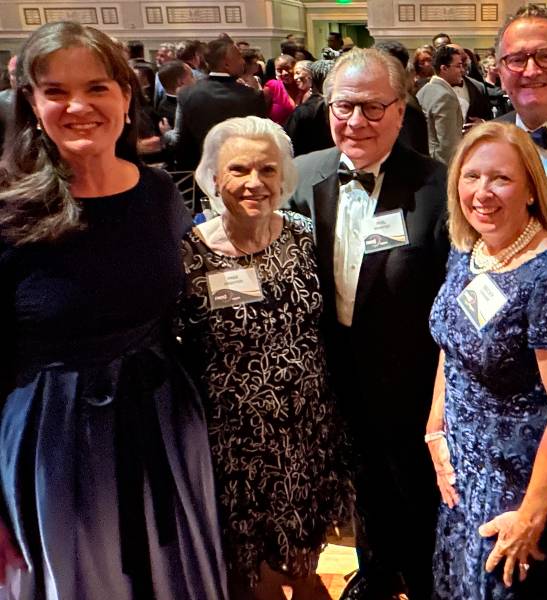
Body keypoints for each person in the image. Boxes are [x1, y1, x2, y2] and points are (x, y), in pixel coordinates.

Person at [0, 21, 227, 599]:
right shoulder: (9, 212)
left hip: (163, 421)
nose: (78, 106)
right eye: (55, 91)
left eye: (97, 87)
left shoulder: (157, 194)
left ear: (127, 97)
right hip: (52, 437)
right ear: (31, 102)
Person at [286, 48, 449, 600]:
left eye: (373, 109)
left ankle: (425, 579)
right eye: (343, 107)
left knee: (415, 492)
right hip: (334, 378)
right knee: (363, 489)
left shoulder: (439, 188)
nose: (356, 122)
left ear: (401, 111)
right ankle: (375, 572)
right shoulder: (301, 177)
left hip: (412, 381)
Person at [177, 116, 352, 600]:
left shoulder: (302, 235)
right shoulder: (189, 254)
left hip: (307, 431)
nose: (255, 183)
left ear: (283, 177)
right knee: (254, 580)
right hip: (235, 444)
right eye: (239, 170)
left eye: (268, 170)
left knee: (306, 564)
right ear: (214, 178)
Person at [427, 122, 547, 600]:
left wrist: (531, 514)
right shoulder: (470, 251)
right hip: (461, 473)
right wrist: (434, 428)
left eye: (500, 178)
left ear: (531, 190)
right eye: (471, 177)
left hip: (514, 488)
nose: (483, 192)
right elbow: (451, 346)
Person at [495, 4, 547, 196]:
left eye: (546, 56)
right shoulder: (486, 141)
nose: (531, 71)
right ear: (500, 74)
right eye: (517, 59)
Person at [175, 38, 266, 169]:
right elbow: (259, 139)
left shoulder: (187, 94)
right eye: (239, 57)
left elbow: (183, 143)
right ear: (226, 64)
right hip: (240, 169)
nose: (242, 62)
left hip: (201, 172)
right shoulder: (252, 96)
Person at [417, 44, 465, 164]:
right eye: (458, 66)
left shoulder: (424, 90)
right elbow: (447, 145)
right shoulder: (445, 96)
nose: (462, 70)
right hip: (440, 166)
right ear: (444, 68)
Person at [283, 60, 334, 157]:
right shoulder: (342, 108)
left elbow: (287, 143)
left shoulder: (303, 112)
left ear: (311, 78)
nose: (295, 77)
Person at [263, 54, 300, 125]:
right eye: (279, 70)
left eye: (287, 68)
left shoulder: (302, 86)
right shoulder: (272, 86)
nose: (284, 73)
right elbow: (262, 114)